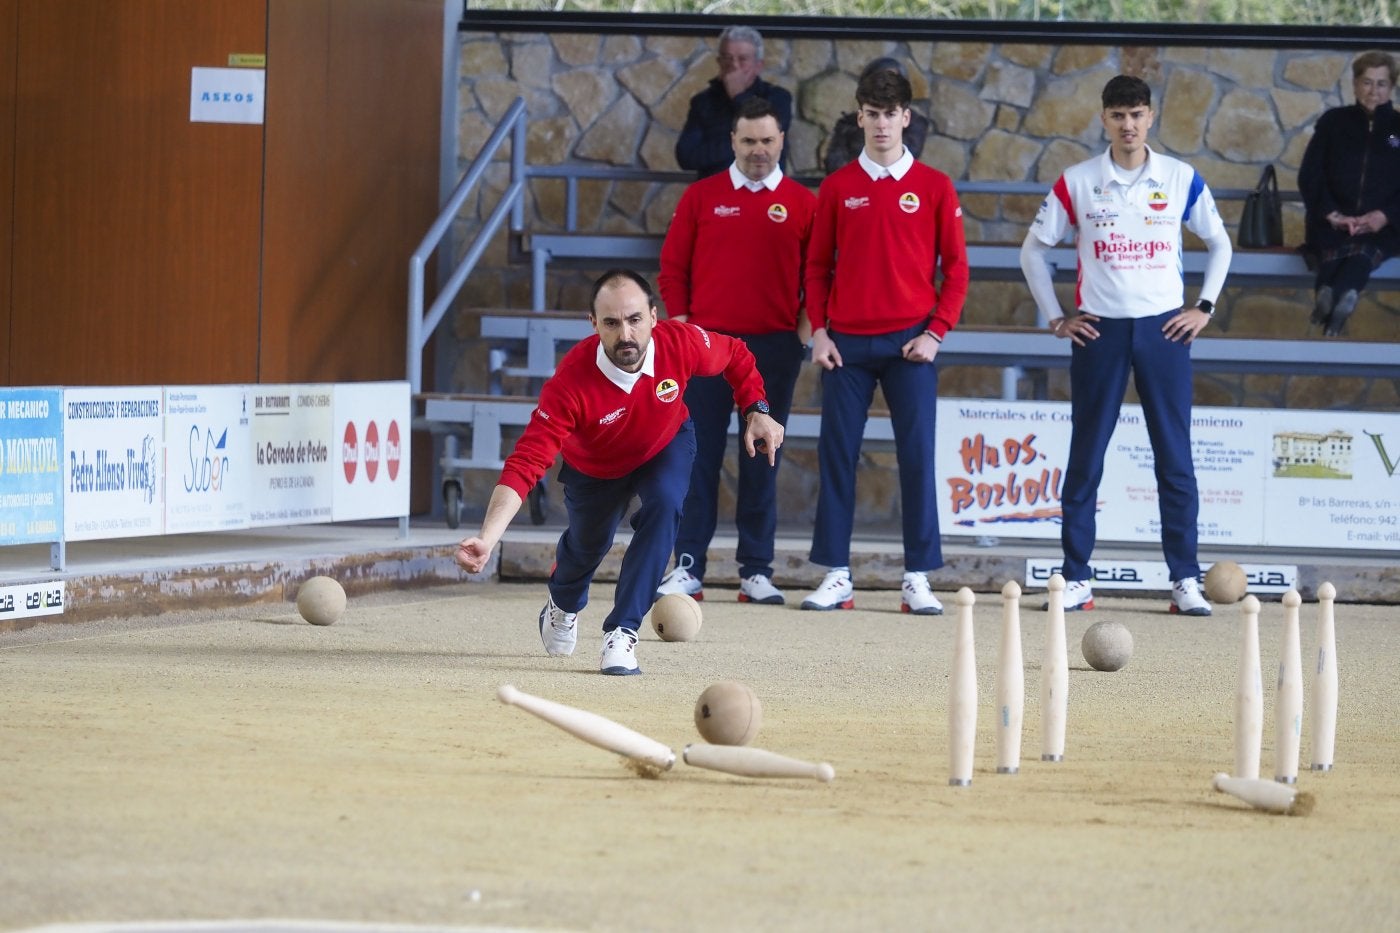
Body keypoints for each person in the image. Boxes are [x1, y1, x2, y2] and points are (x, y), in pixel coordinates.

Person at [454, 270, 784, 675]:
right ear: (593, 324)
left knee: (665, 505)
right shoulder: (569, 384)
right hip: (595, 466)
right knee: (587, 545)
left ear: (653, 317)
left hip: (664, 443)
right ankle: (562, 603)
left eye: (634, 320)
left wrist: (757, 408)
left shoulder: (679, 343)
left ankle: (623, 632)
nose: (625, 334)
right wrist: (488, 538)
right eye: (611, 323)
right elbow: (526, 463)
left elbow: (735, 354)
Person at [1019, 74, 1232, 617]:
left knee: (1174, 459)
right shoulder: (1079, 180)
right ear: (1104, 119)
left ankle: (1184, 578)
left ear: (1151, 116)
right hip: (1100, 331)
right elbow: (1032, 251)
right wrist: (1055, 318)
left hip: (1165, 329)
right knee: (1087, 455)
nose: (1129, 124)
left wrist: (1203, 307)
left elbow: (1220, 242)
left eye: (1137, 114)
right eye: (1118, 115)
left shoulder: (1180, 177)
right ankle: (1076, 577)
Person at [800, 67, 969, 615]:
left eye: (889, 114)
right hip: (845, 344)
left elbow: (958, 270)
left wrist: (936, 332)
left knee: (917, 457)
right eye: (870, 114)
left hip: (910, 345)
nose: (880, 124)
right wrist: (820, 331)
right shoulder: (838, 187)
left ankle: (917, 575)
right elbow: (817, 266)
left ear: (905, 118)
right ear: (860, 117)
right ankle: (837, 574)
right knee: (837, 457)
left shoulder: (936, 187)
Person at [655, 97, 817, 606]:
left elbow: (818, 277)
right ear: (732, 141)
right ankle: (688, 566)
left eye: (767, 140)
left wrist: (804, 333)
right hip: (704, 349)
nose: (758, 151)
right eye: (748, 141)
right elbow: (672, 268)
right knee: (695, 456)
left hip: (773, 348)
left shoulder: (802, 203)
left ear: (782, 141)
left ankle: (756, 570)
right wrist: (682, 330)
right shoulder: (702, 198)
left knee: (763, 458)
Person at [1298, 50, 1400, 337]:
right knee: (1335, 248)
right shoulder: (1334, 122)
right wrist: (1333, 215)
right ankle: (1343, 296)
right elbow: (1310, 174)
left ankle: (1329, 297)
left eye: (1381, 84)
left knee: (1362, 252)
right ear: (1355, 84)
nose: (1373, 91)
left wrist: (1385, 215)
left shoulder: (1397, 132)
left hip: (1383, 226)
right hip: (1332, 221)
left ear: (1391, 87)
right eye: (1367, 82)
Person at [675, 26, 793, 179]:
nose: (734, 66)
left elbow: (766, 137)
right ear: (719, 62)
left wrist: (738, 96)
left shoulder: (778, 98)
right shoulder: (703, 102)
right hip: (715, 196)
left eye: (742, 59)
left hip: (763, 195)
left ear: (758, 66)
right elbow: (687, 157)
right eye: (727, 58)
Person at [822, 57, 930, 174]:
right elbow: (833, 166)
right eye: (878, 81)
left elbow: (897, 159)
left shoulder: (915, 122)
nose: (884, 88)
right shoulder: (848, 122)